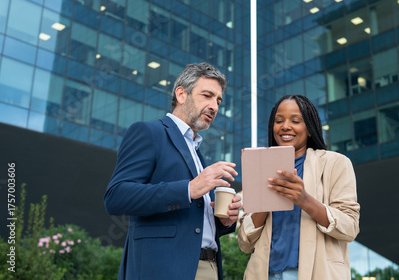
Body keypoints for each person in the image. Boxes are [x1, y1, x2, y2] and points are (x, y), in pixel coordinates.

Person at [104, 62, 242, 280]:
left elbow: (192, 221)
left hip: (210, 267)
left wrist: (223, 222)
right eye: (207, 95)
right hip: (163, 269)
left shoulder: (197, 152)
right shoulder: (149, 132)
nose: (214, 106)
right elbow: (116, 197)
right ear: (181, 94)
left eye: (218, 101)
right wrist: (189, 189)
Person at [238, 94, 360, 280]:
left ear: (309, 129)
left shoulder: (336, 163)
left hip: (317, 273)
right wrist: (265, 200)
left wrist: (304, 200)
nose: (285, 126)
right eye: (279, 121)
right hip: (265, 274)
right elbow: (245, 243)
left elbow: (350, 228)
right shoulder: (260, 167)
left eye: (295, 121)